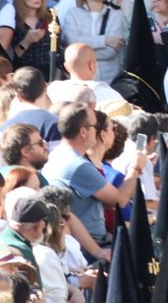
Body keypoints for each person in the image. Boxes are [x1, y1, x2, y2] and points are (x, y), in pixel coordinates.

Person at [40, 105, 144, 248]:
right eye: (94, 126)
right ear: (83, 132)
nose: (97, 131)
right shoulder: (77, 165)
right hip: (92, 244)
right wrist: (136, 168)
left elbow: (90, 202)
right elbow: (120, 200)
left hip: (83, 241)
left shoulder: (58, 155)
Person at [0, 0, 51, 75]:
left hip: (49, 70)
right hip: (23, 72)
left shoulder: (50, 16)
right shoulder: (13, 19)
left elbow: (58, 49)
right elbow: (11, 56)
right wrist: (26, 41)